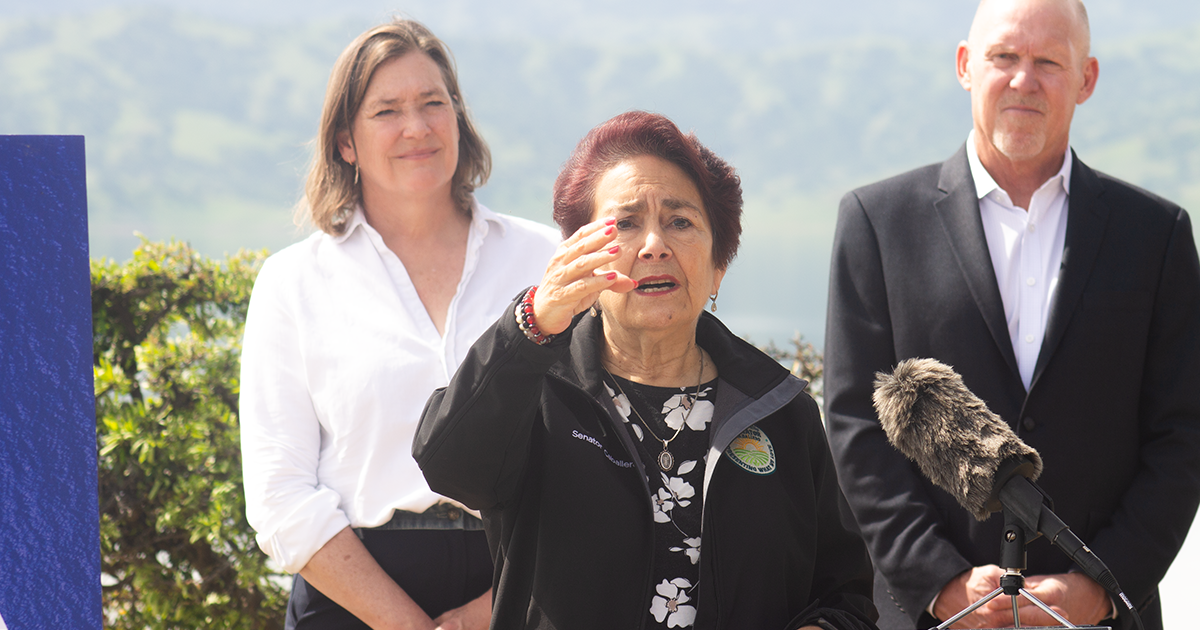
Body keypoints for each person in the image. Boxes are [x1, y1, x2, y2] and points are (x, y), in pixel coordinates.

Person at [413, 111, 879, 630]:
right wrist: (532, 323)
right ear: (579, 256)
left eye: (680, 222)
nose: (654, 244)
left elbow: (847, 596)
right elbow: (447, 465)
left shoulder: (778, 408)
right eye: (625, 223)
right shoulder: (536, 392)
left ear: (719, 263)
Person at [823, 0, 1200, 629]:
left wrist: (1103, 585)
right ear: (967, 65)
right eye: (1004, 57)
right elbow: (854, 424)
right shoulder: (876, 223)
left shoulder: (1157, 236)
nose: (1023, 80)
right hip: (930, 617)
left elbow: (1183, 434)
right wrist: (938, 581)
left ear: (1087, 78)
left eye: (1048, 61)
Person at [238, 18, 559, 630]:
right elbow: (280, 498)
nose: (417, 127)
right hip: (351, 599)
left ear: (458, 117)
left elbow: (590, 458)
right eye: (386, 111)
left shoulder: (544, 261)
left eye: (433, 103)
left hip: (520, 594)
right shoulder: (292, 284)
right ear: (345, 142)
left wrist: (487, 616)